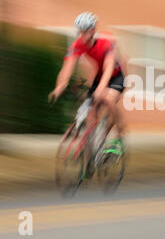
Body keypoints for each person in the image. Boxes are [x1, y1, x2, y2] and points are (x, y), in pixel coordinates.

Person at [49, 12, 127, 156]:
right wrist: (60, 86)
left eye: (84, 32)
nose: (81, 35)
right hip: (99, 76)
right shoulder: (77, 45)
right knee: (91, 113)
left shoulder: (105, 44)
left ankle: (119, 130)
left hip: (116, 76)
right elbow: (67, 68)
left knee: (108, 99)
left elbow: (109, 67)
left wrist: (101, 88)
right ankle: (92, 153)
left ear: (92, 31)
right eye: (80, 32)